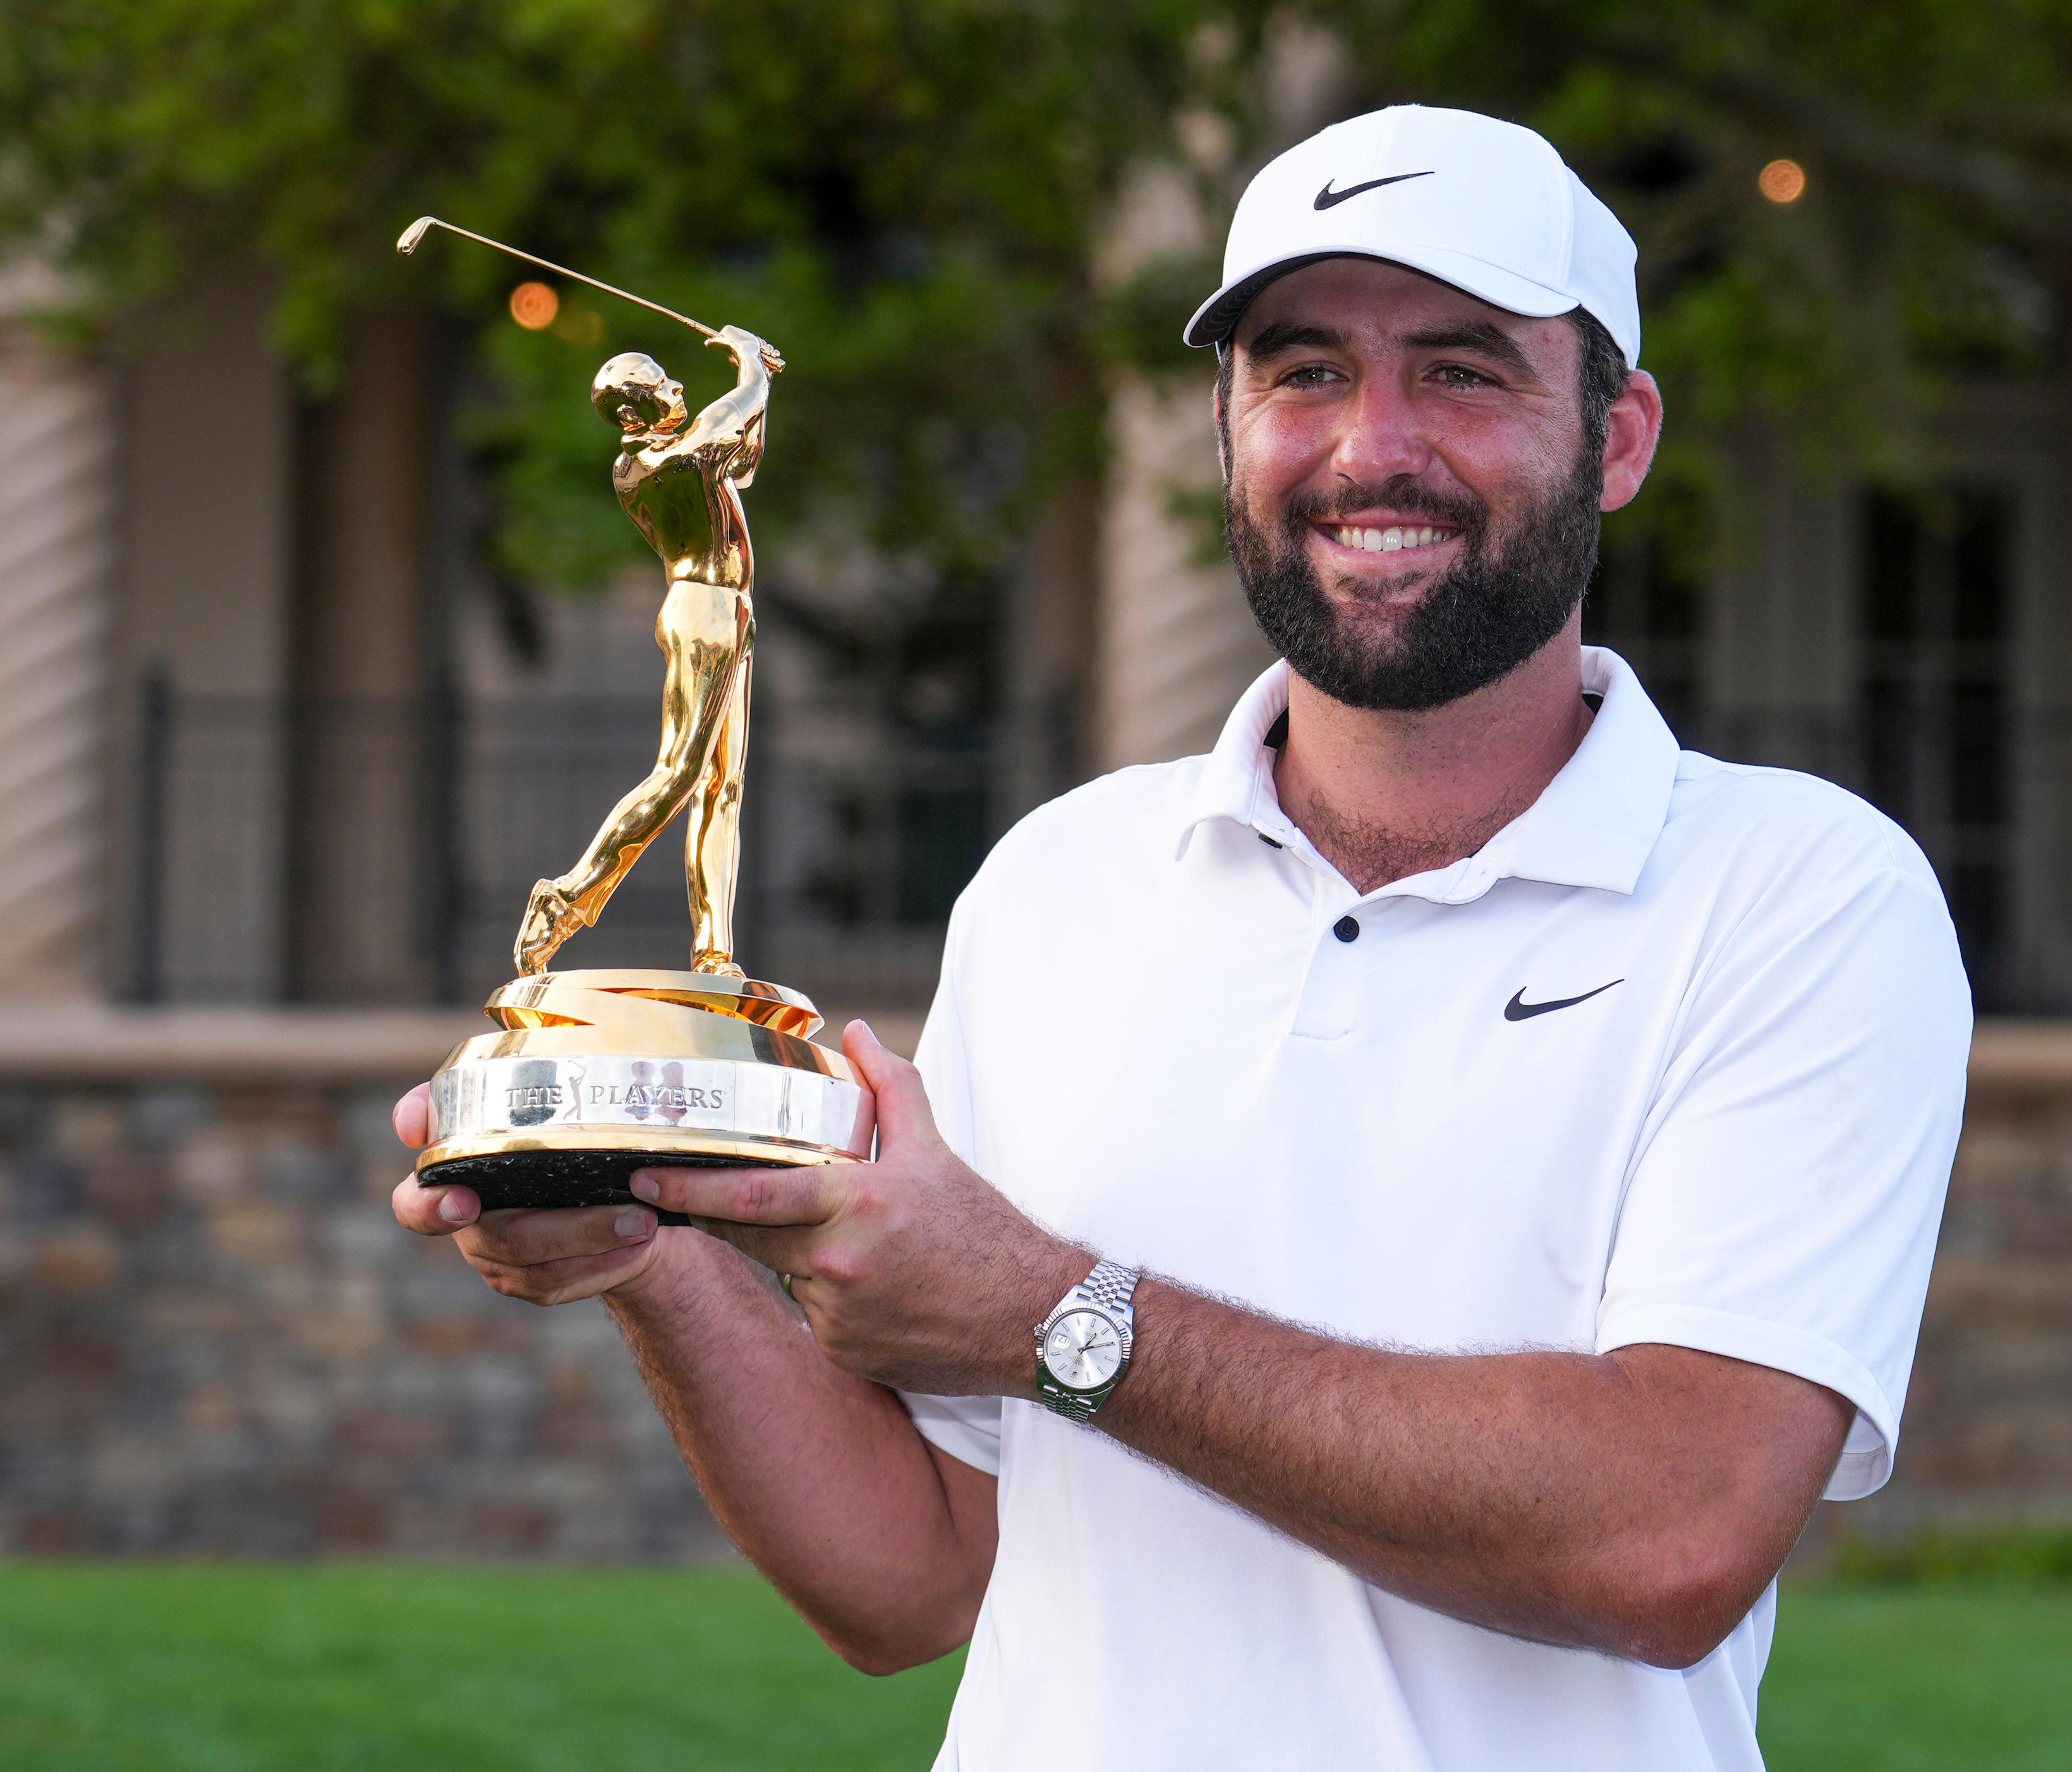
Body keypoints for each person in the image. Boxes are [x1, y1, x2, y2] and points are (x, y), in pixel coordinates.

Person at [392, 105, 1969, 1771]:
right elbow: (916, 1575)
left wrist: (1048, 1311)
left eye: (1460, 370)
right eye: (1300, 370)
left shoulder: (1798, 891)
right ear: (1225, 432)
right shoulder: (1057, 880)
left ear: (1619, 434)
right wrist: (660, 1257)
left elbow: (1667, 1534)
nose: (1371, 446)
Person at [513, 322, 784, 977]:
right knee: (681, 773)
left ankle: (715, 951)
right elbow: (724, 427)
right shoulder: (649, 467)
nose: (677, 385)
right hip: (704, 612)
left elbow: (741, 461)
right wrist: (749, 367)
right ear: (634, 412)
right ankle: (565, 899)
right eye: (661, 384)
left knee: (724, 787)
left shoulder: (680, 451)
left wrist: (762, 386)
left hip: (734, 612)